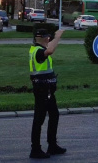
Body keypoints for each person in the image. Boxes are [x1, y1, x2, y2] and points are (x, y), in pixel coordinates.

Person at [29, 28, 66, 159]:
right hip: (42, 91)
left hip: (47, 90)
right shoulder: (39, 52)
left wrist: (55, 38)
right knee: (39, 119)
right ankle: (35, 149)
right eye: (48, 38)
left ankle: (52, 145)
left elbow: (48, 48)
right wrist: (58, 37)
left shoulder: (36, 49)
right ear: (46, 38)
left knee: (54, 115)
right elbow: (50, 50)